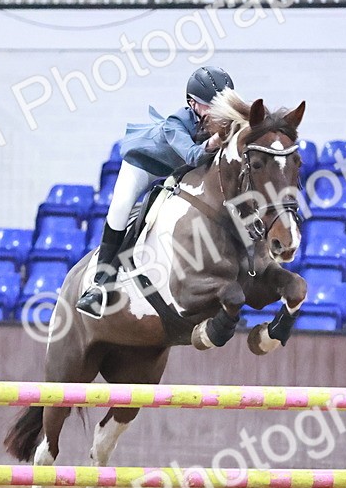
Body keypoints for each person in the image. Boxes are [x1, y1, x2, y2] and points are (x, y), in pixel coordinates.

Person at [76, 66, 235, 318]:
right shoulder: (176, 123)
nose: (217, 110)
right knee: (119, 209)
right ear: (192, 103)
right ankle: (100, 285)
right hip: (144, 165)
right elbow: (193, 156)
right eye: (210, 105)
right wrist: (216, 140)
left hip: (179, 171)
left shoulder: (223, 119)